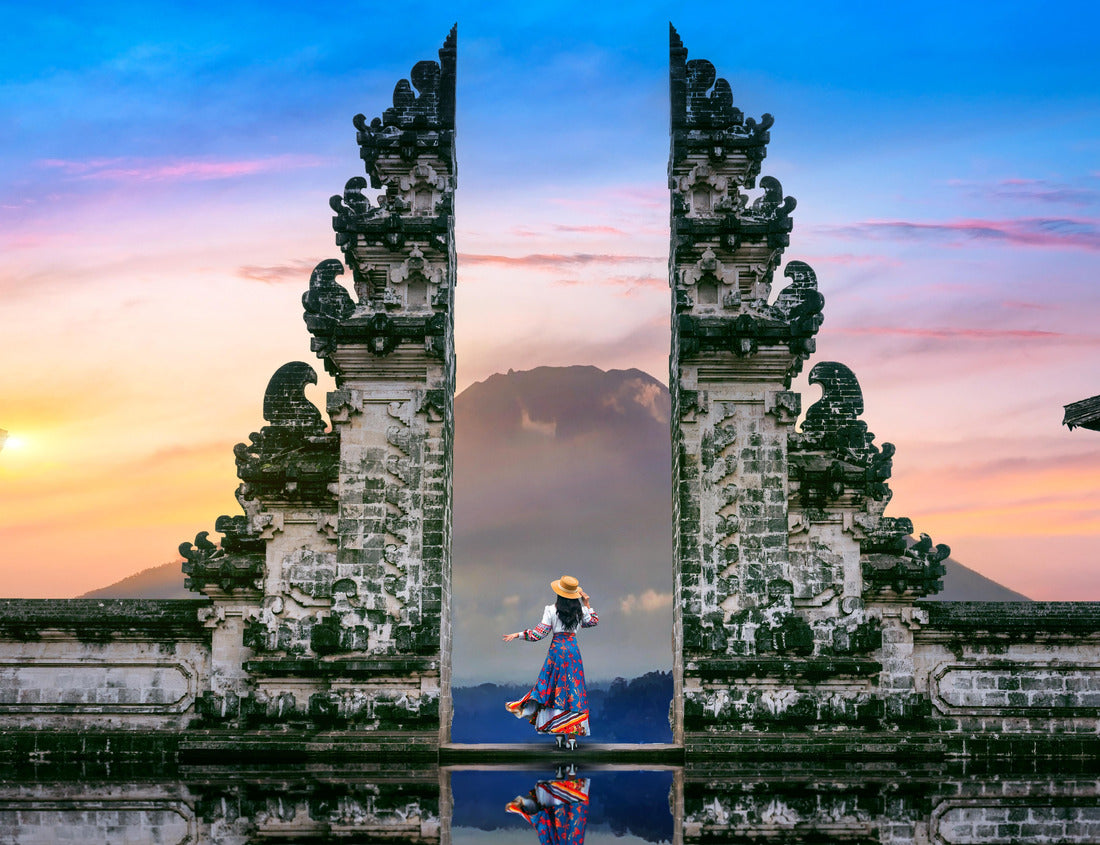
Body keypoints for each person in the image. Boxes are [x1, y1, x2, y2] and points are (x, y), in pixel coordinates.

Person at [503, 575, 599, 749]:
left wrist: (518, 635)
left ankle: (558, 733)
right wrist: (587, 603)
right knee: (573, 691)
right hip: (572, 653)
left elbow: (538, 634)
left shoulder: (550, 610)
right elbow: (593, 621)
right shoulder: (580, 611)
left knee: (553, 690)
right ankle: (572, 736)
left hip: (556, 654)